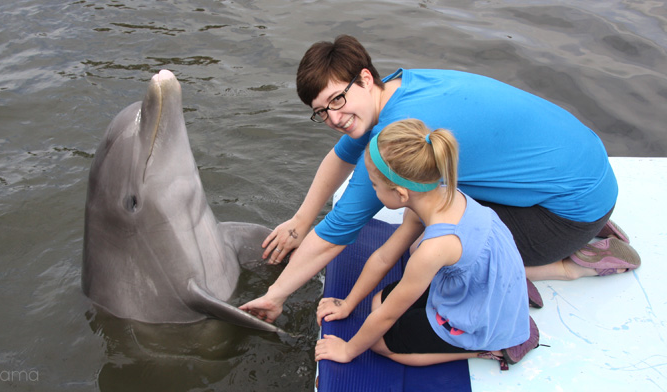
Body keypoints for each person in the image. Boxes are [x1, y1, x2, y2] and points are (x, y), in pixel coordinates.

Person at [239, 35, 640, 323]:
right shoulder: (401, 87)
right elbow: (337, 158)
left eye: (337, 101)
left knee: (429, 254)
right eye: (320, 112)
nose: (333, 119)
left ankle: (577, 262)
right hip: (588, 175)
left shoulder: (392, 132)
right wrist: (298, 221)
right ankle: (582, 221)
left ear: (364, 78)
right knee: (432, 203)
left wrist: (276, 295)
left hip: (566, 214)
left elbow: (339, 230)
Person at [313, 119, 537, 369]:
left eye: (374, 185)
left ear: (401, 193)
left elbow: (389, 316)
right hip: (484, 286)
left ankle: (490, 349)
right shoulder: (438, 194)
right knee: (377, 301)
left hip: (481, 315)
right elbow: (385, 257)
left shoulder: (433, 249)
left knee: (378, 343)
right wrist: (348, 303)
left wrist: (347, 350)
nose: (372, 190)